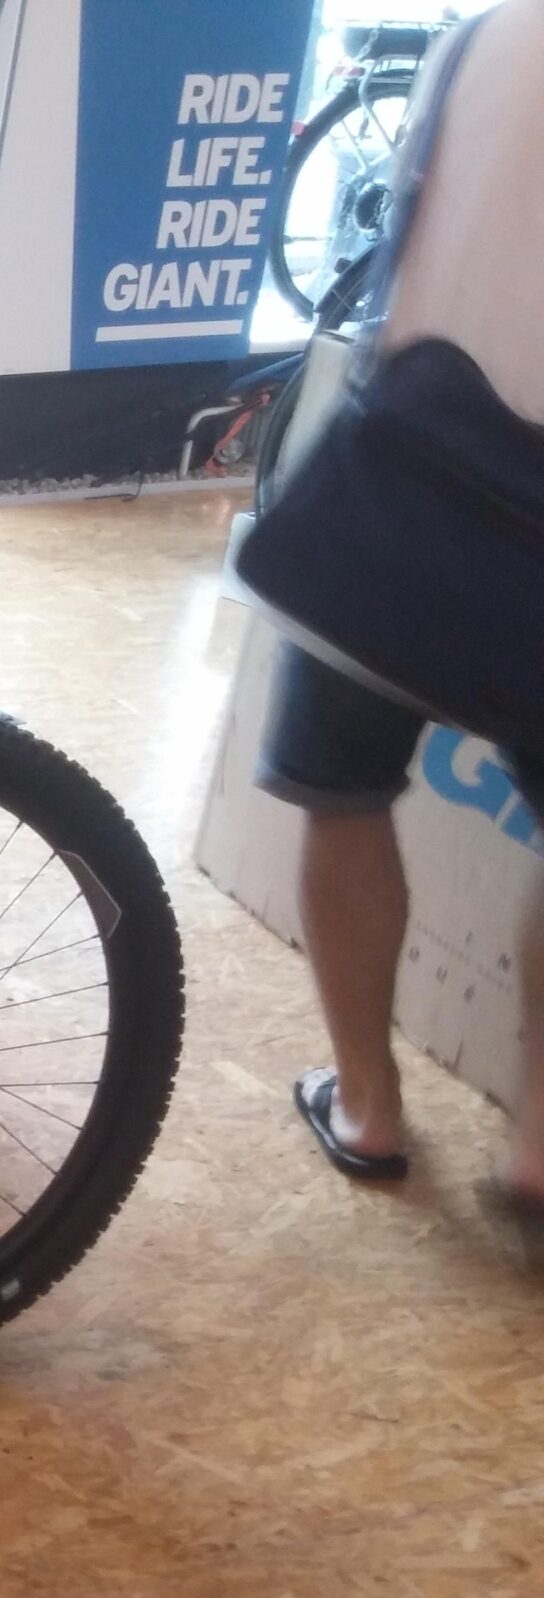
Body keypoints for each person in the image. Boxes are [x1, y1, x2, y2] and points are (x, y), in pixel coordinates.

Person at [258, 0, 544, 1202]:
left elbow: (398, 234)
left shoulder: (485, 36)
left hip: (407, 480)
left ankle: (368, 1106)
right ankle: (539, 1142)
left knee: (340, 789)